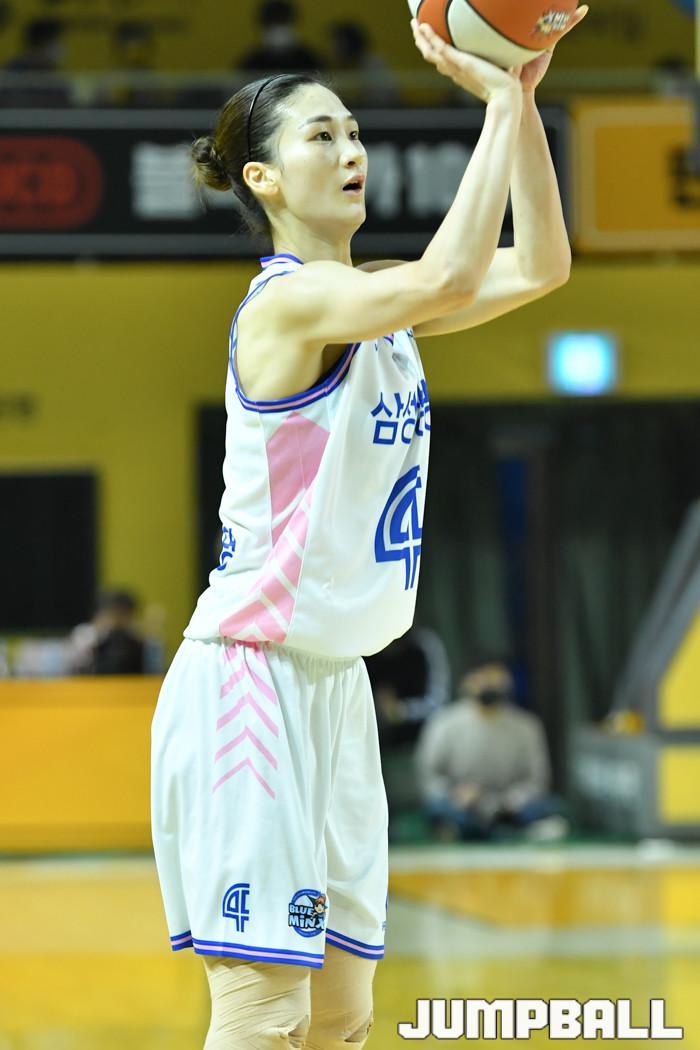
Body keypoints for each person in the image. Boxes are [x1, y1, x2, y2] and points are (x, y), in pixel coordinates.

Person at [151, 10, 585, 1048]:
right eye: (321, 135)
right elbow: (449, 277)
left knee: (342, 1019)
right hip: (250, 683)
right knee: (265, 1012)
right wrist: (494, 100)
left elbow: (543, 266)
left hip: (335, 686)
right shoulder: (287, 308)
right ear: (261, 178)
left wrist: (523, 98)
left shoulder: (371, 299)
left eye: (354, 131)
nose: (350, 149)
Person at [416, 658, 567, 841]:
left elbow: (537, 779)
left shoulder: (527, 725)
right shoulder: (444, 723)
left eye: (496, 679)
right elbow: (429, 775)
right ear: (467, 682)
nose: (490, 685)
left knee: (549, 806)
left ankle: (493, 831)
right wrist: (456, 794)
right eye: (483, 678)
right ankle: (487, 831)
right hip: (464, 805)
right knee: (439, 808)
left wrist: (510, 801)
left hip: (510, 806)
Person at [67, 589, 146, 675]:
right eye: (114, 614)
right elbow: (76, 665)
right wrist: (101, 633)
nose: (118, 620)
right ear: (100, 613)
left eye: (124, 614)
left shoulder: (133, 636)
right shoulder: (84, 633)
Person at [238, 0, 324, 76]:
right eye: (272, 22)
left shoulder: (310, 60)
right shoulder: (251, 63)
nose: (278, 28)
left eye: (282, 21)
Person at [327, 21, 400, 108]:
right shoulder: (340, 67)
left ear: (351, 44)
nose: (333, 48)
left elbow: (381, 100)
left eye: (339, 43)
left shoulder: (373, 64)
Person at [1, 17, 70, 106]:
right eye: (57, 41)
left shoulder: (53, 78)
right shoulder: (11, 75)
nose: (61, 46)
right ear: (43, 42)